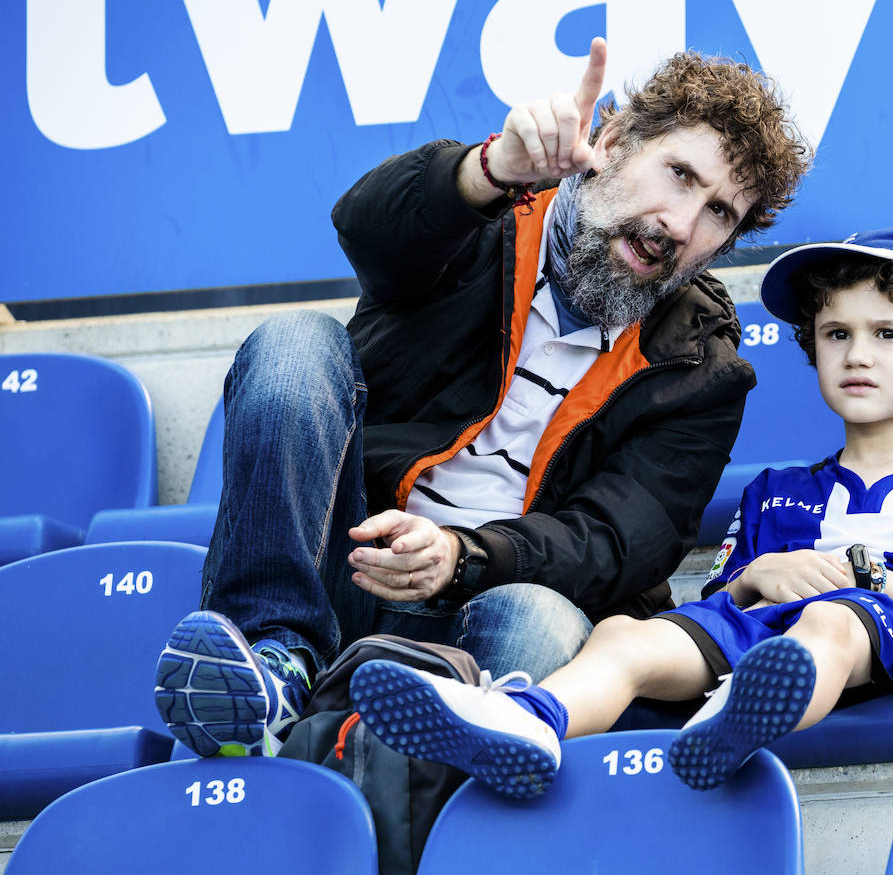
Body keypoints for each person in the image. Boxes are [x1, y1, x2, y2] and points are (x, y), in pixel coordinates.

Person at [153, 38, 812, 759]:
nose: (681, 227)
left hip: (501, 604)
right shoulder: (487, 211)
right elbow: (367, 228)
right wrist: (489, 170)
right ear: (614, 139)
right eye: (679, 175)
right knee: (292, 346)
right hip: (352, 566)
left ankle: (412, 770)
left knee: (539, 616)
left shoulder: (704, 364)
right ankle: (274, 664)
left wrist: (462, 555)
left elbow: (614, 544)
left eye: (719, 213)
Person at [344, 227, 893, 794]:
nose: (857, 355)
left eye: (887, 335)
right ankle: (526, 720)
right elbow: (721, 605)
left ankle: (731, 721)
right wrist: (761, 573)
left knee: (831, 621)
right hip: (755, 643)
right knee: (624, 635)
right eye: (837, 334)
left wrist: (866, 581)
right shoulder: (775, 490)